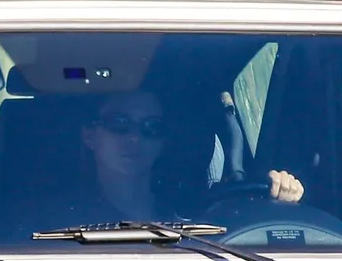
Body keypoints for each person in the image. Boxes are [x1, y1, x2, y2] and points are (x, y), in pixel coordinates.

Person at [79, 89, 305, 220]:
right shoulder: (54, 224)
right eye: (119, 123)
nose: (135, 138)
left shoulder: (197, 209)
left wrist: (282, 196)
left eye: (152, 127)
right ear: (90, 136)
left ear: (162, 142)